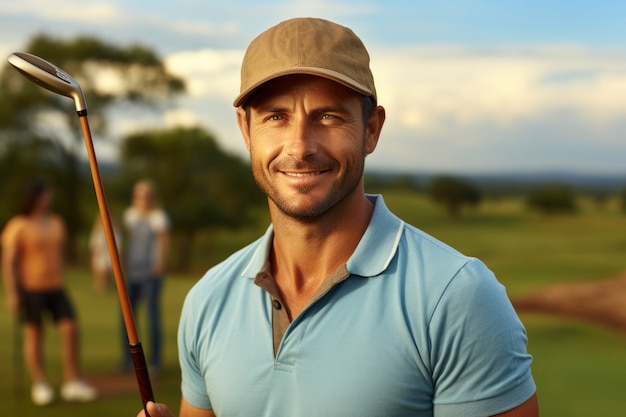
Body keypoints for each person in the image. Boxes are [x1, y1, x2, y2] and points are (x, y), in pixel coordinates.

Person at [138, 17, 539, 417]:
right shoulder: (208, 298)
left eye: (328, 116)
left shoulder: (457, 298)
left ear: (371, 129)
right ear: (246, 130)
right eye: (276, 116)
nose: (300, 147)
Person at [1, 181, 97, 406]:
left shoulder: (56, 222)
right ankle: (40, 383)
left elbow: (60, 253)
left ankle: (72, 381)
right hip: (31, 288)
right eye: (47, 195)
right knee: (35, 333)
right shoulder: (18, 225)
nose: (50, 198)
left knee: (71, 328)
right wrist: (12, 292)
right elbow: (9, 261)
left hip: (56, 286)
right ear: (35, 198)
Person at [120, 179, 170, 375]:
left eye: (145, 194)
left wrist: (159, 265)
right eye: (138, 194)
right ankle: (127, 360)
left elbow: (164, 242)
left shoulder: (158, 217)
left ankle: (155, 362)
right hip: (131, 272)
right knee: (126, 318)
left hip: (151, 273)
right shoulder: (129, 216)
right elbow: (125, 241)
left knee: (152, 316)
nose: (141, 198)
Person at [89, 214, 121, 292]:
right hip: (99, 254)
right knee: (100, 270)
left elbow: (118, 245)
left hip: (109, 255)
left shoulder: (115, 231)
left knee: (107, 270)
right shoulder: (97, 231)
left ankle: (108, 286)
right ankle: (100, 286)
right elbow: (94, 244)